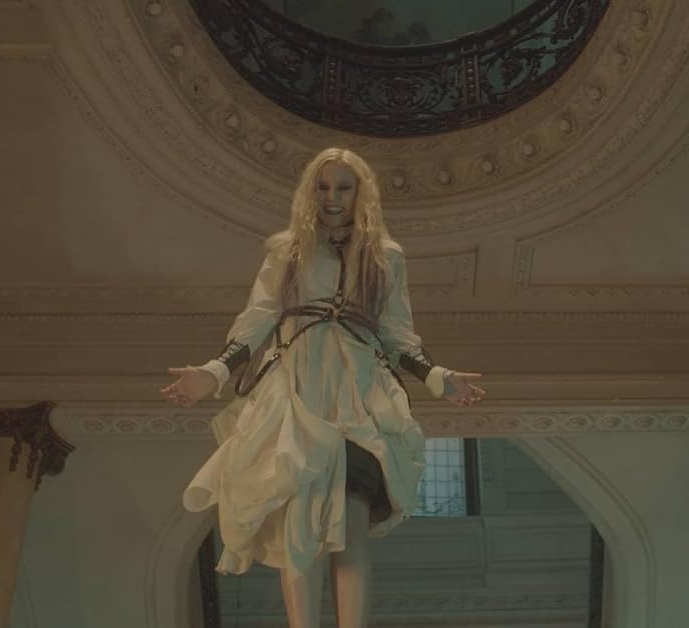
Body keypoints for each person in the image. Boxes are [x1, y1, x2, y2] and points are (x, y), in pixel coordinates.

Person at [162, 147, 485, 628]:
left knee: (350, 518)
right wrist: (214, 371)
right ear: (310, 192)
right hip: (298, 387)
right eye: (324, 186)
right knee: (300, 515)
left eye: (344, 187)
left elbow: (397, 332)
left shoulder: (386, 257)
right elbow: (258, 318)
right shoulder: (286, 250)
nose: (333, 197)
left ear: (361, 194)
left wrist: (438, 378)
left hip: (358, 391)